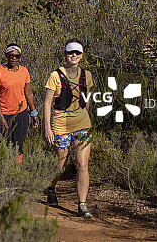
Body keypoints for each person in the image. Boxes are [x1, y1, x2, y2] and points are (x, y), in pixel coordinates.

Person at [43, 39, 95, 219]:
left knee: (82, 164)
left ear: (82, 56)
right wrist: (48, 128)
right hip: (61, 124)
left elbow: (87, 99)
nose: (74, 56)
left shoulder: (87, 75)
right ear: (65, 54)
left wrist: (86, 117)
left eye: (77, 53)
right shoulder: (55, 76)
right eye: (71, 52)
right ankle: (51, 187)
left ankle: (82, 204)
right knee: (61, 164)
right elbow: (48, 102)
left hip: (82, 124)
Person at [0, 43, 39, 163]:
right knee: (5, 144)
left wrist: (34, 113)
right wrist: (1, 117)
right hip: (4, 113)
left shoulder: (24, 71)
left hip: (21, 113)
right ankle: (5, 171)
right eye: (11, 56)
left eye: (17, 56)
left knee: (18, 144)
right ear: (6, 55)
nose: (14, 58)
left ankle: (17, 171)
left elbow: (28, 93)